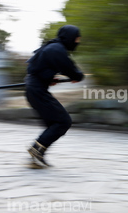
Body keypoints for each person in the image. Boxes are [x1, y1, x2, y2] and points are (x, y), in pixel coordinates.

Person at [25, 25, 84, 166]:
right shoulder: (57, 49)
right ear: (69, 37)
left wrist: (49, 78)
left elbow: (37, 69)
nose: (78, 42)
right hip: (37, 91)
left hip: (34, 89)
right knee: (63, 122)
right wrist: (77, 76)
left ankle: (36, 155)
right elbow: (70, 68)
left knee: (54, 125)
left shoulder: (52, 47)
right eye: (76, 38)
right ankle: (36, 151)